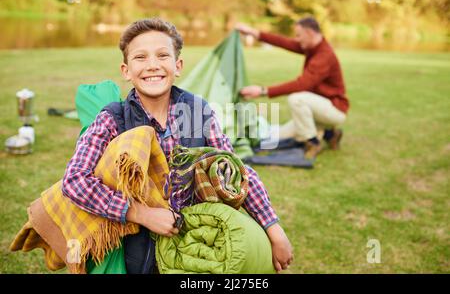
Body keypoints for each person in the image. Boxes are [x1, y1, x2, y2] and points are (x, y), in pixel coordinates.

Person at [61, 18, 293, 273]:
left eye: (162, 55)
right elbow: (74, 180)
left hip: (194, 242)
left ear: (177, 65)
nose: (152, 65)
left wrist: (273, 228)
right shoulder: (112, 119)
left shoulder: (198, 112)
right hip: (136, 251)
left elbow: (234, 170)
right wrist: (141, 214)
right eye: (140, 57)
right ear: (126, 70)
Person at [236, 17, 350, 159]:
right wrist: (253, 32)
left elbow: (302, 84)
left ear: (309, 33)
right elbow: (283, 42)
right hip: (319, 108)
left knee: (296, 99)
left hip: (335, 109)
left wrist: (262, 91)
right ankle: (331, 134)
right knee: (278, 136)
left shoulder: (324, 55)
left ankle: (313, 143)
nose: (297, 39)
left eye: (298, 35)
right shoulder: (311, 47)